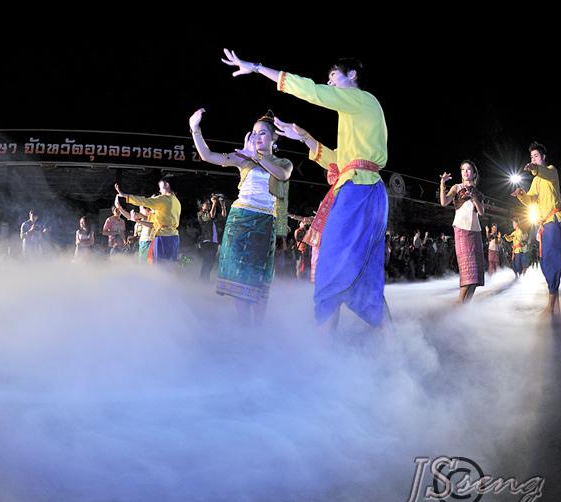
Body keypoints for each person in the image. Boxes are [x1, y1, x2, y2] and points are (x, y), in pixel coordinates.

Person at [222, 50, 389, 327]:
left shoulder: (361, 100)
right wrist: (304, 137)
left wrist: (257, 67)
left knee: (331, 266)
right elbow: (338, 161)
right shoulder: (359, 114)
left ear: (353, 75)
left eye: (333, 76)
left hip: (358, 191)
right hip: (363, 189)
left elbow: (311, 91)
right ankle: (388, 339)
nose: (330, 82)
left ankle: (327, 344)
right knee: (360, 271)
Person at [189, 108, 292, 325]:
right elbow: (207, 156)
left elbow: (282, 175)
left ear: (274, 137)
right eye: (254, 133)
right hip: (239, 222)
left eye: (262, 133)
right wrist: (195, 129)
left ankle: (257, 327)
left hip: (265, 224)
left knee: (259, 279)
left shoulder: (283, 163)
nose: (257, 137)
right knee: (240, 276)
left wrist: (257, 157)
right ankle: (245, 327)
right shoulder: (243, 159)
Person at [512, 141, 561, 315]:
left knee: (553, 261)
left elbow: (544, 173)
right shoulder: (535, 180)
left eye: (536, 156)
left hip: (555, 220)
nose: (533, 159)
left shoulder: (551, 171)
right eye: (531, 157)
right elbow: (531, 200)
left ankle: (550, 306)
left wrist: (534, 168)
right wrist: (521, 195)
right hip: (545, 224)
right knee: (545, 262)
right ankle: (555, 305)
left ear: (543, 157)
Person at [439, 160, 485, 304]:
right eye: (463, 169)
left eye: (468, 169)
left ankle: (466, 308)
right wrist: (442, 184)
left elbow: (481, 212)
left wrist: (474, 198)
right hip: (461, 230)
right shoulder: (457, 187)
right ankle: (459, 306)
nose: (465, 172)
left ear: (474, 173)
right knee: (468, 274)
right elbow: (443, 202)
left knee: (476, 276)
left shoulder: (478, 193)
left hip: (475, 231)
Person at [115, 179, 181, 265]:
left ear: (166, 185)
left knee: (160, 266)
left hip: (163, 237)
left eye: (160, 187)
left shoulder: (164, 199)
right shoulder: (176, 202)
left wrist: (125, 195)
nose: (159, 190)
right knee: (170, 265)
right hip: (174, 237)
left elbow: (144, 201)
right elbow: (154, 220)